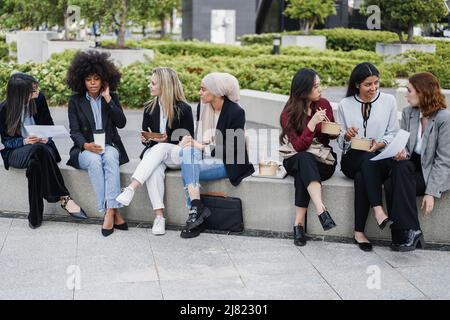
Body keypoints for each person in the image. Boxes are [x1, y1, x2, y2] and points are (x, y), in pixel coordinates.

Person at [0, 73, 86, 229]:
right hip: (17, 152)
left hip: (43, 149)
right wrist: (24, 141)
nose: (37, 93)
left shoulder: (39, 100)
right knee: (37, 151)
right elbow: (6, 141)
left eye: (37, 89)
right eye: (33, 91)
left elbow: (49, 125)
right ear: (20, 94)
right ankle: (63, 197)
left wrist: (47, 137)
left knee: (35, 165)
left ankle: (35, 215)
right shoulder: (4, 109)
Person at [116, 67, 194, 235]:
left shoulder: (184, 109)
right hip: (157, 156)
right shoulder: (149, 108)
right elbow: (147, 134)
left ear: (164, 86)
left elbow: (188, 140)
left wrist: (167, 140)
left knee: (160, 148)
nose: (149, 86)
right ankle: (159, 217)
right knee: (154, 170)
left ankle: (131, 187)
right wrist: (146, 139)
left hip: (177, 155)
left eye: (153, 83)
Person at [178, 72, 255, 238]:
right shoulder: (202, 107)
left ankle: (195, 212)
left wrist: (200, 146)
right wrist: (191, 142)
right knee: (187, 152)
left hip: (230, 161)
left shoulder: (236, 112)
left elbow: (232, 148)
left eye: (203, 89)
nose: (200, 92)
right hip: (207, 156)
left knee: (189, 167)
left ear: (215, 91)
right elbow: (199, 140)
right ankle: (197, 208)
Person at [337, 62, 399, 252]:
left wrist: (380, 144)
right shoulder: (345, 105)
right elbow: (341, 143)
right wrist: (346, 136)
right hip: (352, 159)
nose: (373, 88)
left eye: (376, 83)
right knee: (364, 159)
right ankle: (378, 209)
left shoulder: (389, 101)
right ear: (357, 85)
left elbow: (393, 133)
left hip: (380, 158)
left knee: (362, 175)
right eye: (368, 84)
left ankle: (359, 232)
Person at [66, 50, 129, 237]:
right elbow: (74, 132)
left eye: (96, 78)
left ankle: (109, 212)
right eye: (88, 79)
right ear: (81, 81)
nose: (92, 83)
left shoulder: (111, 98)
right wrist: (86, 145)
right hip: (85, 149)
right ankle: (112, 210)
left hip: (108, 145)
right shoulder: (75, 101)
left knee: (110, 157)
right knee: (94, 161)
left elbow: (121, 123)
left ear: (104, 80)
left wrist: (109, 98)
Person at [385, 72, 450, 252]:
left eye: (409, 90)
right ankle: (412, 230)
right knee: (399, 167)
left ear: (422, 92)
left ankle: (402, 233)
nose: (406, 95)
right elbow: (404, 144)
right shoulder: (409, 113)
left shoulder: (444, 118)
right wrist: (401, 152)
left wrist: (431, 192)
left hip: (431, 171)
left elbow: (444, 160)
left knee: (391, 185)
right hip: (411, 165)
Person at [279, 68, 338, 247]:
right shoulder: (288, 113)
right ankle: (321, 209)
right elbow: (297, 146)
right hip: (296, 158)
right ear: (303, 90)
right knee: (303, 158)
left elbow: (330, 137)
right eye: (316, 86)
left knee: (302, 172)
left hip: (322, 160)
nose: (320, 90)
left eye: (320, 85)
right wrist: (311, 125)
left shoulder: (324, 104)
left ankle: (298, 224)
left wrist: (333, 130)